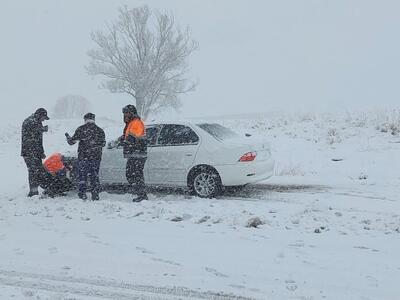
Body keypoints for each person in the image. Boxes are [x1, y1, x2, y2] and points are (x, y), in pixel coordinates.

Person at [65, 113, 106, 200]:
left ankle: (82, 194)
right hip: (96, 157)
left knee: (82, 176)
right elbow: (103, 143)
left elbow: (72, 142)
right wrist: (94, 145)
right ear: (94, 119)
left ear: (85, 119)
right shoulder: (100, 130)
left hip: (83, 157)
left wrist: (68, 138)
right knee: (94, 176)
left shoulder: (81, 129)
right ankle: (95, 195)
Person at [121, 104, 148, 202]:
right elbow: (128, 136)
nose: (125, 115)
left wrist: (123, 141)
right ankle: (140, 192)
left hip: (138, 153)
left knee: (135, 175)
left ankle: (141, 195)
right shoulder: (131, 123)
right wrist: (122, 139)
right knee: (133, 174)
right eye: (124, 113)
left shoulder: (136, 123)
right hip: (135, 154)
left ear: (131, 113)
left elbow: (131, 138)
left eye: (126, 113)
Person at [21, 108, 50, 197]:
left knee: (38, 170)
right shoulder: (31, 121)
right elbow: (33, 136)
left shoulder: (36, 121)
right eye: (44, 118)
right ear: (39, 115)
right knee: (33, 171)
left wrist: (41, 152)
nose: (44, 120)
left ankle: (46, 188)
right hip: (30, 152)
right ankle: (33, 192)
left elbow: (38, 140)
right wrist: (42, 129)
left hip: (35, 152)